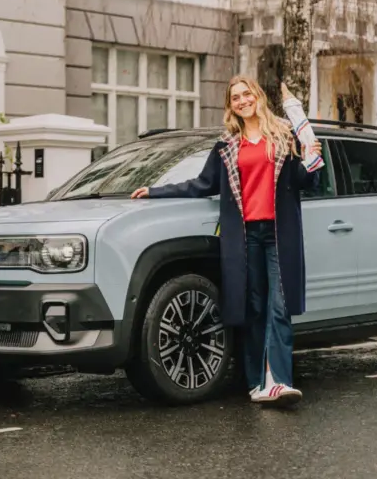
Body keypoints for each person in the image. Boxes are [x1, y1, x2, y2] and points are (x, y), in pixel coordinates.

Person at [131, 76, 322, 408]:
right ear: (231, 105)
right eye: (236, 97)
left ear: (258, 97)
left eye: (247, 93)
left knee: (280, 307)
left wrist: (312, 156)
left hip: (279, 235)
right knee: (254, 309)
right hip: (244, 238)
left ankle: (278, 381)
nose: (242, 100)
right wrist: (156, 190)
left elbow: (306, 181)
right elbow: (201, 184)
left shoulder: (283, 137)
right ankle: (255, 382)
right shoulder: (227, 147)